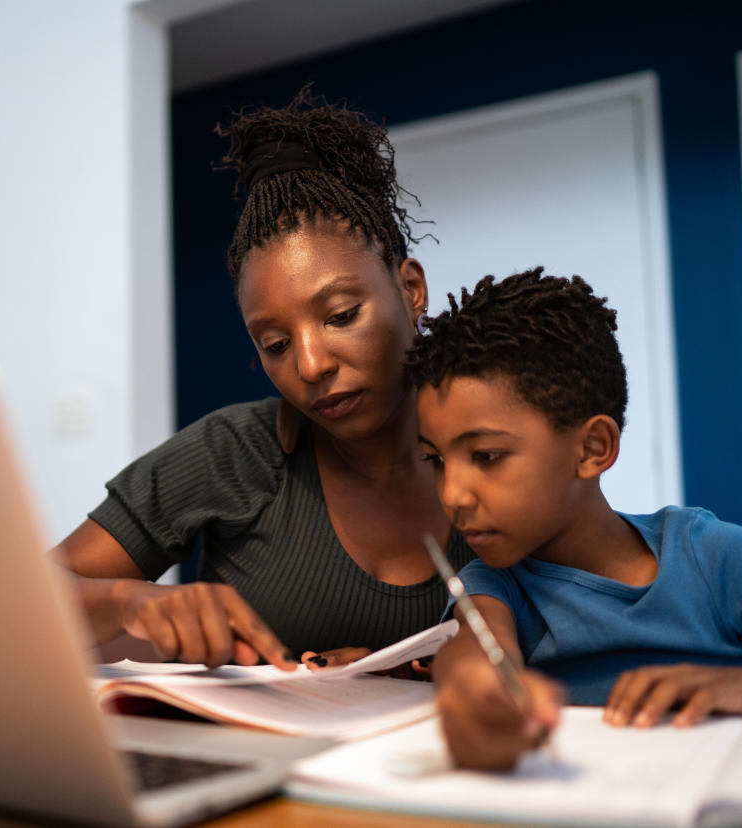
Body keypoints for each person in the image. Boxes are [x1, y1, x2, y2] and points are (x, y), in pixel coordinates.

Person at [56, 88, 474, 671]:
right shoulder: (231, 453)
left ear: (411, 290)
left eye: (341, 315)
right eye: (275, 344)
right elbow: (33, 592)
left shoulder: (492, 445)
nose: (309, 365)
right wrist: (129, 600)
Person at [403, 267, 742, 770]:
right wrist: (475, 691)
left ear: (592, 448)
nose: (452, 495)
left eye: (488, 456)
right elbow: (475, 654)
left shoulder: (719, 559)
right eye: (436, 461)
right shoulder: (495, 584)